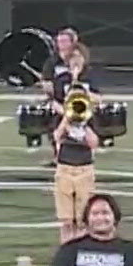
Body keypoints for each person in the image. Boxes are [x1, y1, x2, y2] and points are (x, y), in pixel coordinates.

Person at [52, 48, 101, 243]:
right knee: (66, 221)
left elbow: (94, 143)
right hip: (64, 168)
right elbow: (57, 136)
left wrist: (84, 122)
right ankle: (65, 251)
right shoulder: (63, 117)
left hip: (85, 169)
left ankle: (79, 251)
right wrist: (67, 117)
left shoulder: (90, 118)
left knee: (82, 220)